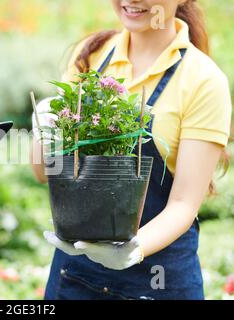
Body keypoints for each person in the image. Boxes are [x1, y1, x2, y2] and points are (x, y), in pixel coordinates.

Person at [31, 0, 232, 300]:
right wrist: (43, 131)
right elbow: (44, 174)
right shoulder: (93, 55)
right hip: (76, 277)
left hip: (158, 280)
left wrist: (132, 249)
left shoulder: (203, 81)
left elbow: (183, 204)